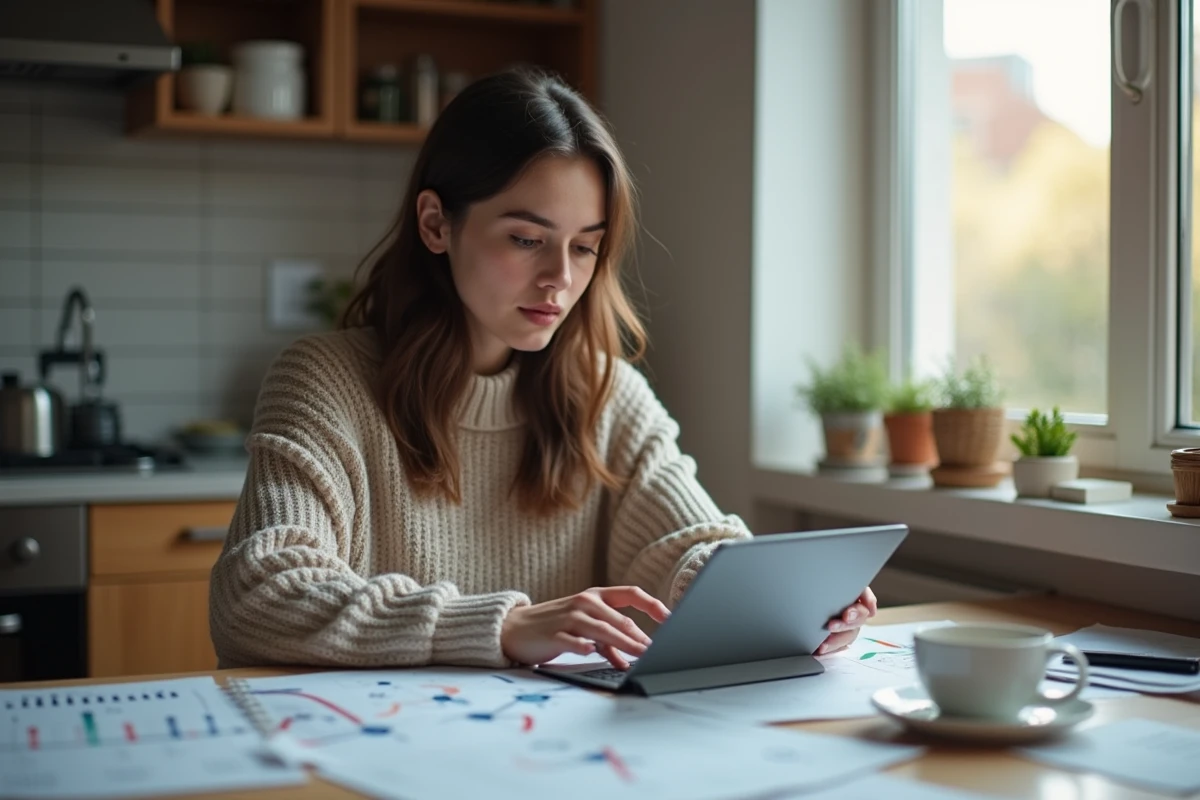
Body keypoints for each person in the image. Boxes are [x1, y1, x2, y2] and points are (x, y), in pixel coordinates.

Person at [208, 67, 876, 671]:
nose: (560, 277)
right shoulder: (324, 380)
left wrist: (776, 597)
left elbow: (687, 541)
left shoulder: (608, 393)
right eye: (527, 239)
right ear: (436, 224)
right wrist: (501, 626)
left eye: (585, 248)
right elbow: (258, 595)